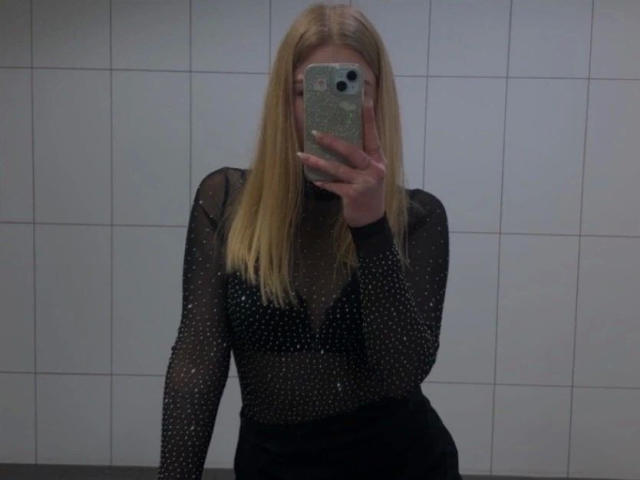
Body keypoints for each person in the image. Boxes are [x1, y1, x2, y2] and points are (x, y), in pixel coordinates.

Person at [157, 3, 462, 479]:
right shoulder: (227, 202)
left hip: (403, 464)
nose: (327, 111)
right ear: (284, 100)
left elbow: (403, 372)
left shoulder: (417, 218)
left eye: (353, 88)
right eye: (307, 91)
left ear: (378, 99)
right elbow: (197, 362)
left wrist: (371, 229)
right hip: (273, 466)